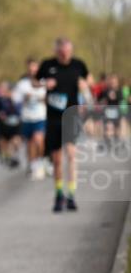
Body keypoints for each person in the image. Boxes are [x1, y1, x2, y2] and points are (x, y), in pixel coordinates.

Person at [37, 37, 92, 212]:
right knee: (57, 159)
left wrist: (85, 84)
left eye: (68, 51)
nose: (65, 54)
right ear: (56, 51)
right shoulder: (47, 65)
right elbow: (34, 81)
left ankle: (71, 194)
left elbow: (90, 80)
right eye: (61, 52)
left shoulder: (78, 65)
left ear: (71, 51)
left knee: (72, 154)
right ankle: (59, 193)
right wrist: (45, 83)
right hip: (53, 117)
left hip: (71, 115)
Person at [14, 58, 48, 179]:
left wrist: (43, 99)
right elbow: (16, 102)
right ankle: (33, 166)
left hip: (40, 117)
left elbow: (51, 99)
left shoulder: (44, 82)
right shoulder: (22, 84)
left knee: (38, 139)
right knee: (30, 143)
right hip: (27, 118)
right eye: (30, 69)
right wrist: (25, 98)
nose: (33, 71)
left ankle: (41, 162)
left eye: (35, 68)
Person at [98, 73, 126, 149]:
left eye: (115, 82)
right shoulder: (105, 91)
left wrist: (116, 97)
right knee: (107, 127)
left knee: (117, 128)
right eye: (112, 81)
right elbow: (99, 99)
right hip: (108, 111)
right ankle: (107, 142)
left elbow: (122, 100)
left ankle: (117, 142)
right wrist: (102, 101)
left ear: (117, 82)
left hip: (117, 111)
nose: (113, 83)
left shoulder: (120, 91)